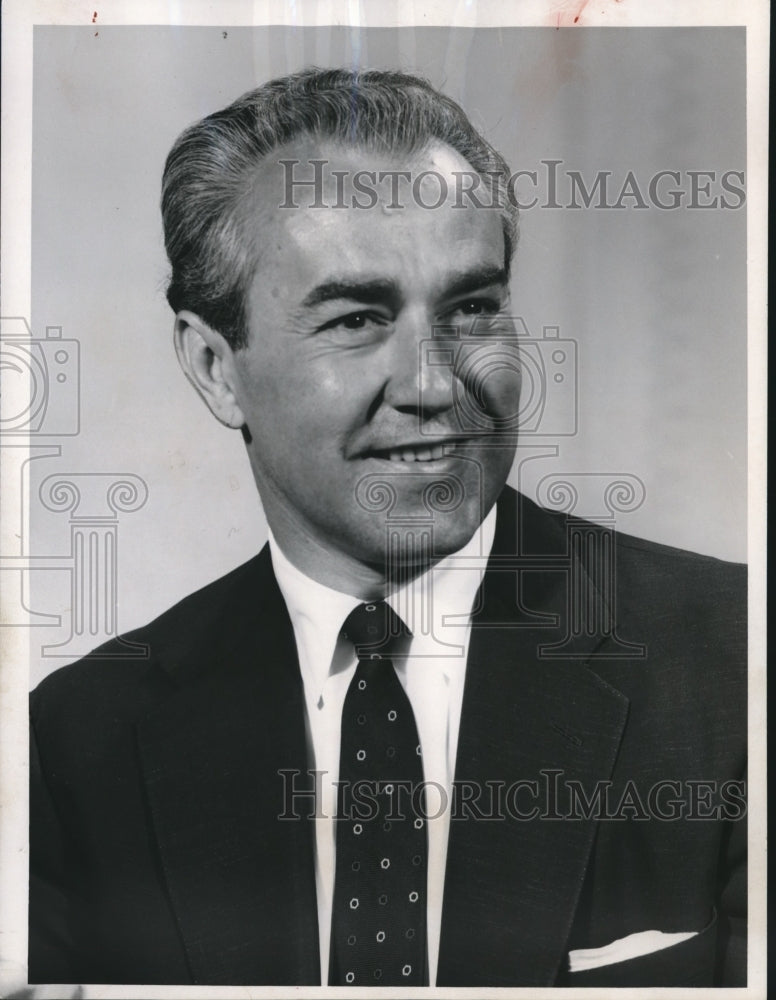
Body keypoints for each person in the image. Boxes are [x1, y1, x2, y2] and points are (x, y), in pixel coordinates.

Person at [29, 67, 746, 989]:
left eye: (473, 309)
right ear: (214, 367)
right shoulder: (76, 746)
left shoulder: (733, 663)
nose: (435, 384)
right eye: (359, 318)